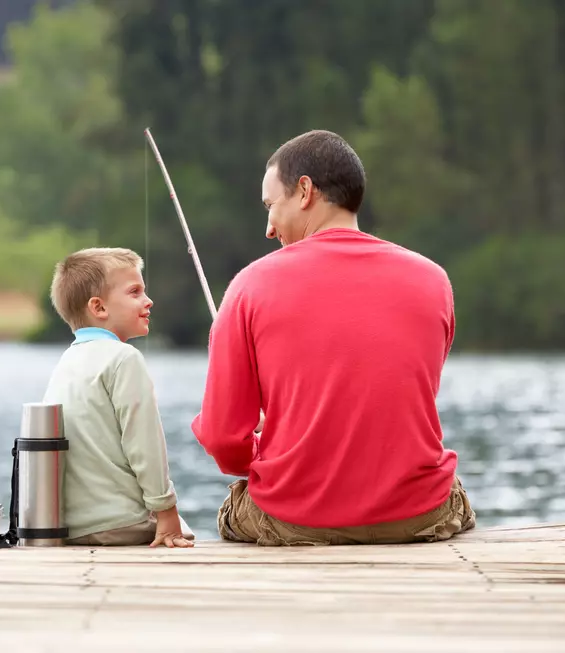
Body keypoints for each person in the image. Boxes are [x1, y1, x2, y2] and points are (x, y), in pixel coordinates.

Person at [191, 130, 475, 546]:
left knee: (233, 508)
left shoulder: (250, 285)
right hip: (417, 516)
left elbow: (221, 440)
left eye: (271, 206)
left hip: (296, 519)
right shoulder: (434, 280)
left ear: (304, 190)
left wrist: (261, 451)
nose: (268, 228)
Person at [43, 247, 194, 548]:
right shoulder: (124, 358)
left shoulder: (67, 362)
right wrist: (166, 509)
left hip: (71, 528)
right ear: (99, 308)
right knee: (185, 532)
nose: (148, 301)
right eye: (135, 291)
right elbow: (144, 443)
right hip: (119, 523)